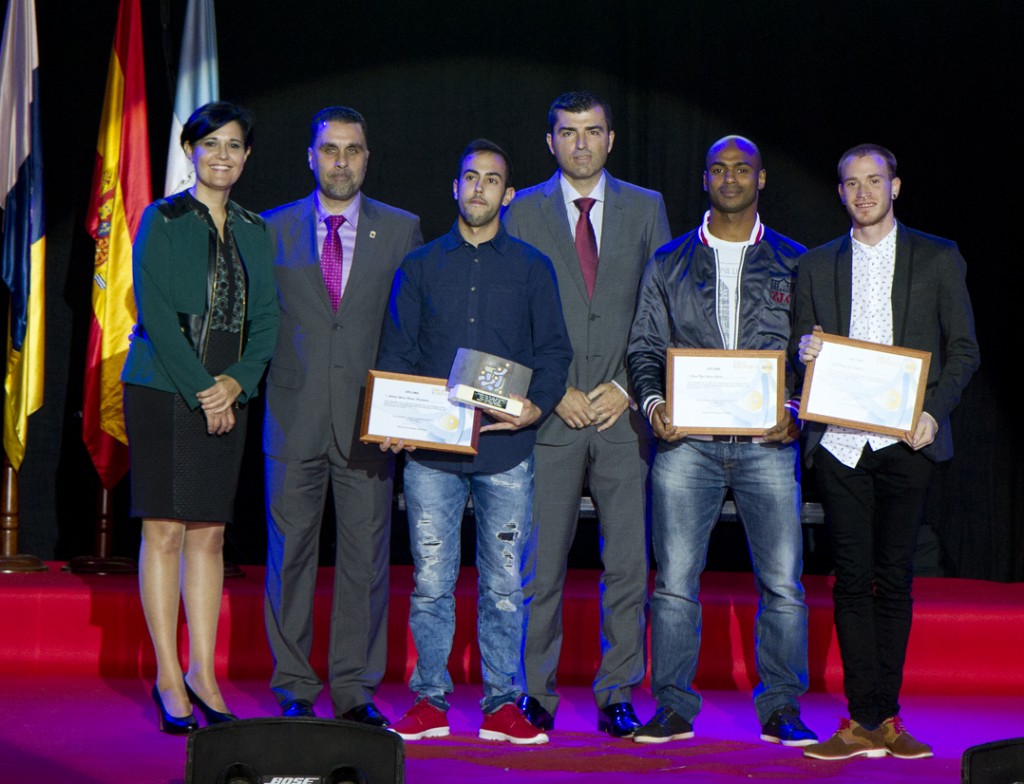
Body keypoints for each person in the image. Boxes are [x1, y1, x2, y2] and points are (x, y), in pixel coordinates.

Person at [378, 139, 572, 744]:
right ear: (455, 187)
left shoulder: (534, 267)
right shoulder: (420, 265)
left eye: (491, 180)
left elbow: (554, 353)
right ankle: (429, 701)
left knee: (505, 584)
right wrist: (395, 419)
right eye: (470, 177)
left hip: (505, 452)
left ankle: (501, 704)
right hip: (433, 455)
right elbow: (398, 353)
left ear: (508, 195)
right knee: (431, 582)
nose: (479, 188)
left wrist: (537, 406)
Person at [625, 135, 816, 746]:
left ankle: (782, 706)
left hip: (768, 444)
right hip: (688, 444)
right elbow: (644, 347)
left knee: (782, 583)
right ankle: (673, 707)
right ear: (704, 179)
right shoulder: (669, 261)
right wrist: (654, 405)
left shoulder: (796, 261)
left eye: (741, 169)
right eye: (718, 169)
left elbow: (814, 353)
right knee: (675, 580)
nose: (730, 178)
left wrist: (797, 410)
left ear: (761, 179)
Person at [793, 144, 979, 761]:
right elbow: (803, 346)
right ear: (840, 192)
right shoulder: (816, 263)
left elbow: (965, 350)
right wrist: (804, 353)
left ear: (895, 187)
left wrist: (932, 413)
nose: (864, 193)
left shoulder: (938, 256)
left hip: (907, 439)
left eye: (875, 181)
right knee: (850, 580)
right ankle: (860, 720)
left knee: (894, 580)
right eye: (852, 183)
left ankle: (888, 718)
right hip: (842, 444)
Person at [502, 90, 671, 737]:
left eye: (592, 131)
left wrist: (630, 386)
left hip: (623, 417)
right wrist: (553, 391)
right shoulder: (522, 211)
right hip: (552, 416)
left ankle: (616, 691)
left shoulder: (647, 207)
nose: (581, 143)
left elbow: (660, 308)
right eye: (568, 132)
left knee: (627, 563)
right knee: (540, 565)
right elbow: (510, 318)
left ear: (611, 139)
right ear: (550, 141)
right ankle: (535, 692)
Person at [261, 106, 423, 725]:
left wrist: (404, 414)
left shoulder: (402, 229)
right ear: (310, 157)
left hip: (369, 425)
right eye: (330, 150)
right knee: (290, 558)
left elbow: (411, 331)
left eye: (353, 150)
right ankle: (294, 686)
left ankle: (355, 690)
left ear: (367, 158)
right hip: (292, 418)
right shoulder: (270, 228)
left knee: (365, 560)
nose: (341, 162)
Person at [122, 101, 279, 733]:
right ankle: (168, 676)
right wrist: (204, 390)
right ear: (190, 150)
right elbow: (155, 314)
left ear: (247, 156)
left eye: (234, 145)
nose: (222, 155)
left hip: (228, 392)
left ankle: (202, 674)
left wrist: (235, 384)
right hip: (164, 388)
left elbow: (266, 321)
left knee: (209, 534)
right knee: (164, 530)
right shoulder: (161, 219)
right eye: (210, 143)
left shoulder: (255, 229)